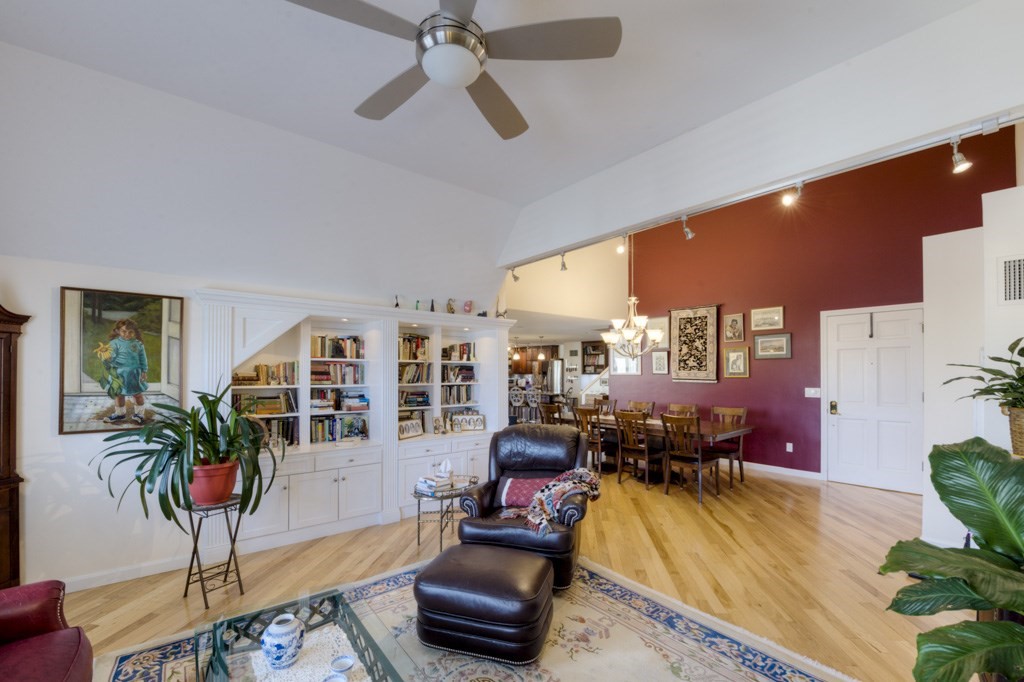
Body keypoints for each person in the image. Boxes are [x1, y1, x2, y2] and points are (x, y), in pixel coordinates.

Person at [101, 318, 149, 424]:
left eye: (130, 332)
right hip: (119, 374)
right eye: (124, 331)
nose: (127, 334)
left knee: (137, 394)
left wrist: (144, 371)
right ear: (118, 331)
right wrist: (107, 359)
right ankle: (120, 414)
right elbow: (111, 357)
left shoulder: (138, 344)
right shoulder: (114, 343)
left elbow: (143, 358)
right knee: (119, 394)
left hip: (134, 374)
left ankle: (139, 414)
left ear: (134, 332)